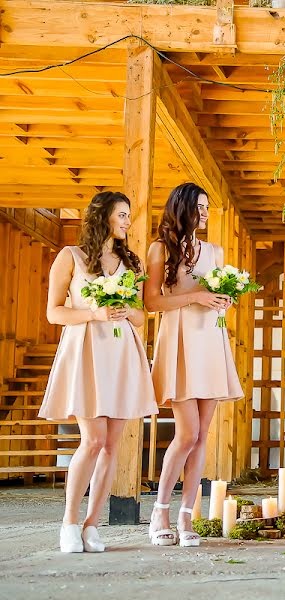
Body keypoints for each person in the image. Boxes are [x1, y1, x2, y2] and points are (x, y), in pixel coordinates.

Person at [39, 191, 158, 553]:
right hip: (86, 350)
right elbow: (54, 313)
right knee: (92, 440)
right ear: (103, 216)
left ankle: (92, 525)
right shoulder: (70, 257)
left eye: (128, 215)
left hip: (122, 353)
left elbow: (142, 317)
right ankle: (69, 523)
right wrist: (95, 313)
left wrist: (125, 310)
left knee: (111, 445)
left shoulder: (132, 264)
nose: (127, 221)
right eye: (122, 214)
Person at [145, 183, 243, 547]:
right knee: (185, 434)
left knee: (202, 435)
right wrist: (197, 296)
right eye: (199, 206)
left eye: (206, 206)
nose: (204, 212)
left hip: (210, 341)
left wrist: (221, 300)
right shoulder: (160, 249)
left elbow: (215, 292)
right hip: (180, 341)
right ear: (182, 207)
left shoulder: (213, 251)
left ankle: (187, 517)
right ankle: (160, 510)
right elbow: (153, 302)